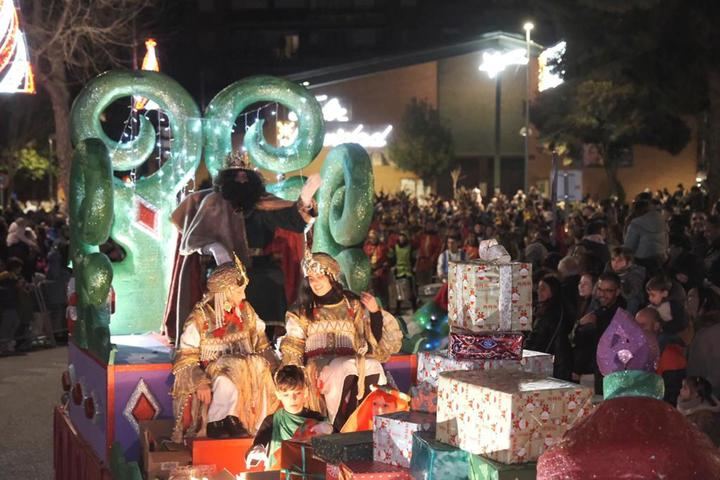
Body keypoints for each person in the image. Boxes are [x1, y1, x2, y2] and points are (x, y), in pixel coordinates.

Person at [167, 153, 321, 340]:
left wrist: (304, 201)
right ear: (226, 179)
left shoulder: (264, 202)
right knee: (226, 286)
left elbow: (293, 222)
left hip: (258, 264)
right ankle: (218, 338)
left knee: (271, 279)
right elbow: (194, 239)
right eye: (235, 175)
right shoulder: (212, 203)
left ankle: (265, 339)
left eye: (245, 175)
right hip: (221, 267)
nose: (241, 179)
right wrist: (215, 248)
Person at [280, 251, 403, 431]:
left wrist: (375, 313)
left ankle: (366, 423)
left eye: (320, 276)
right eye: (311, 279)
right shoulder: (301, 310)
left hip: (352, 361)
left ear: (332, 276)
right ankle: (338, 425)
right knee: (342, 367)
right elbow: (293, 347)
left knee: (373, 365)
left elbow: (370, 341)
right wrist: (293, 375)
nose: (315, 283)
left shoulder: (351, 303)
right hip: (319, 368)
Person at [171, 257, 279, 442]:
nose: (244, 296)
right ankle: (218, 421)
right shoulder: (200, 318)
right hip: (214, 373)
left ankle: (260, 427)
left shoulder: (246, 312)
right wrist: (200, 381)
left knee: (262, 369)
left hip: (247, 371)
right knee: (227, 378)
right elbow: (185, 358)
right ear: (225, 291)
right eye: (239, 291)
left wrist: (277, 369)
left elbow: (262, 346)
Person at [245, 365, 333, 470]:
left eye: (297, 393)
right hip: (280, 473)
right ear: (278, 394)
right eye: (286, 395)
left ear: (305, 392)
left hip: (309, 473)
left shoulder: (317, 419)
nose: (293, 399)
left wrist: (329, 430)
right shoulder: (273, 421)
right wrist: (257, 449)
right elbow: (259, 442)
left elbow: (335, 447)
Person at [576, 272, 625, 394]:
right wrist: (580, 325)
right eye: (600, 289)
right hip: (595, 371)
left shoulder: (622, 315)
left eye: (608, 290)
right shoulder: (596, 309)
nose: (602, 294)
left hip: (612, 375)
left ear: (617, 291)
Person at [526, 275, 572, 380]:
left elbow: (537, 339)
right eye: (538, 288)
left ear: (553, 291)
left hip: (551, 362)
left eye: (543, 289)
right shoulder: (556, 309)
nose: (539, 292)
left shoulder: (550, 314)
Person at [624, 198, 668, 277]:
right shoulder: (660, 221)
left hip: (641, 264)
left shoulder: (634, 224)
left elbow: (629, 248)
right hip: (661, 262)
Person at [677, 376, 720, 447]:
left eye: (685, 388)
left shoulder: (705, 416)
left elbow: (699, 440)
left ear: (695, 394)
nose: (680, 390)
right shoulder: (684, 404)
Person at [608, 247, 646, 315]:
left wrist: (621, 281)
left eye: (620, 260)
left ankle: (625, 322)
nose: (615, 263)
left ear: (629, 263)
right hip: (616, 299)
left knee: (634, 300)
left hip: (629, 300)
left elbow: (630, 294)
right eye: (613, 259)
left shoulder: (636, 273)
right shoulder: (609, 270)